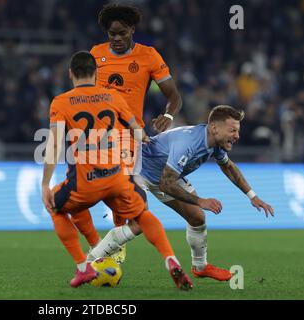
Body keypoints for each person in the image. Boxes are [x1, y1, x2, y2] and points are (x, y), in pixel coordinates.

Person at [41, 51, 192, 290]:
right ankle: (170, 259)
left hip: (85, 181)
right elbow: (138, 131)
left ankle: (83, 267)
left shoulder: (61, 102)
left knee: (55, 206)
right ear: (96, 73)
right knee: (142, 215)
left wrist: (44, 184)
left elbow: (56, 143)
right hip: (117, 178)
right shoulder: (112, 96)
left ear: (70, 73)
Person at [87, 105, 275, 281]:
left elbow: (228, 167)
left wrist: (253, 196)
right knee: (138, 225)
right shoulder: (189, 143)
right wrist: (200, 200)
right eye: (233, 131)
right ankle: (89, 262)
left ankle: (200, 267)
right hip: (139, 172)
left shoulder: (214, 143)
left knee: (197, 218)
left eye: (238, 131)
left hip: (165, 174)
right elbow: (166, 184)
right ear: (214, 128)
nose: (237, 136)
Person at [71, 3, 183, 264]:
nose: (117, 39)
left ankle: (115, 249)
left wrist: (168, 115)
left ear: (132, 29)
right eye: (112, 34)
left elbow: (173, 95)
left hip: (129, 137)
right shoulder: (96, 54)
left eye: (122, 33)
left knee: (122, 190)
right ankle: (114, 237)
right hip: (94, 138)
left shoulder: (149, 56)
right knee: (98, 192)